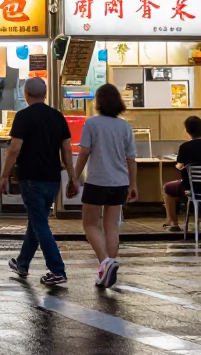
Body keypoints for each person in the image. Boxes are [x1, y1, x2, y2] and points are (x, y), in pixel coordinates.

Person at [0, 77, 75, 286]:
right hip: (52, 178)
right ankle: (23, 263)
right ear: (46, 93)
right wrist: (73, 177)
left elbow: (14, 149)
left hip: (30, 178)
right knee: (36, 220)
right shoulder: (58, 117)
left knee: (40, 223)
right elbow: (66, 149)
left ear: (25, 94)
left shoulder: (23, 117)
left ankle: (57, 270)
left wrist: (4, 175)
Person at [71, 84, 137, 289]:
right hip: (120, 182)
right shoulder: (124, 126)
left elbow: (83, 153)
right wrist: (133, 184)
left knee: (90, 224)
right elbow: (131, 159)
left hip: (97, 181)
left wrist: (74, 177)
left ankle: (105, 263)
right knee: (111, 227)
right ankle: (107, 267)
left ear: (98, 102)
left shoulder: (92, 123)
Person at [160, 115, 201, 233]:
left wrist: (179, 166)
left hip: (192, 187)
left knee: (167, 188)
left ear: (187, 131)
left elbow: (180, 165)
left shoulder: (185, 147)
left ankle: (174, 223)